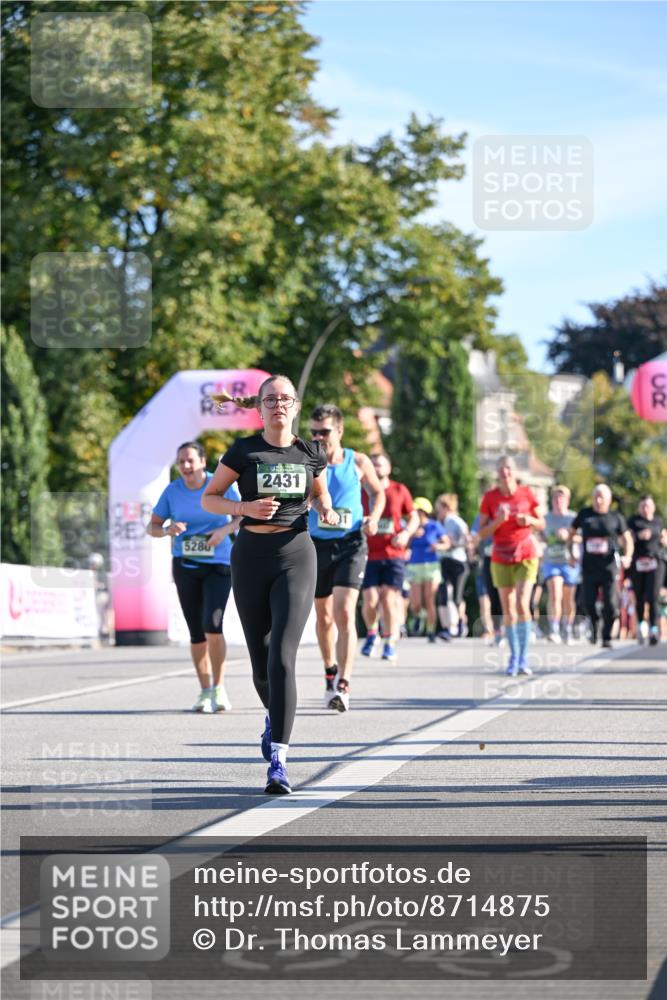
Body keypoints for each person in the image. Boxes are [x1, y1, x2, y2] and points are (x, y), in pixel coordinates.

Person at [201, 375, 337, 794]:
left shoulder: (310, 452)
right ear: (259, 407)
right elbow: (210, 497)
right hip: (250, 558)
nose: (278, 404)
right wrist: (245, 507)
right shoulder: (244, 450)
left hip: (296, 554)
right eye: (270, 399)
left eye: (285, 399)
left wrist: (327, 509)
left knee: (282, 656)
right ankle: (272, 716)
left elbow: (320, 492)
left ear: (295, 406)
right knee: (261, 666)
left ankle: (279, 759)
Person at [148, 441, 241, 713]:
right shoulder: (172, 491)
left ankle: (220, 688)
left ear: (203, 461)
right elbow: (151, 526)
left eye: (190, 460)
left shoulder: (220, 484)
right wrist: (167, 529)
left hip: (219, 563)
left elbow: (243, 515)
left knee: (213, 623)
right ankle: (204, 691)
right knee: (196, 632)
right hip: (186, 565)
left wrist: (224, 532)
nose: (185, 467)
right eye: (181, 462)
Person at [307, 404, 385, 712]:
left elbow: (378, 493)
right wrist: (315, 505)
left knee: (343, 612)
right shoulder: (308, 461)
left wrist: (375, 517)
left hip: (351, 542)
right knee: (323, 616)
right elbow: (305, 496)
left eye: (324, 431)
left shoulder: (358, 460)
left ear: (339, 431)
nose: (318, 437)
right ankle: (329, 669)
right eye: (313, 431)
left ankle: (343, 682)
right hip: (316, 544)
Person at [477, 456, 544, 676]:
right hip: (501, 555)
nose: (504, 473)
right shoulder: (490, 497)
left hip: (526, 554)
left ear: (514, 472)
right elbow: (482, 533)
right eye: (500, 469)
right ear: (497, 473)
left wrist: (530, 521)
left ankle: (524, 658)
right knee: (508, 608)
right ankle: (514, 657)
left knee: (522, 605)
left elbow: (542, 522)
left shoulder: (526, 493)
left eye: (508, 468)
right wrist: (497, 521)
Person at [360, 453, 419, 662]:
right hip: (368, 552)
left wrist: (405, 533)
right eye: (373, 464)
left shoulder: (399, 490)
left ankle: (389, 642)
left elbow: (413, 517)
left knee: (388, 598)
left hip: (393, 553)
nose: (376, 467)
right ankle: (371, 632)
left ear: (389, 468)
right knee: (370, 600)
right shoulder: (362, 490)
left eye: (380, 463)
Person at [570, 484, 634, 649]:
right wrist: (571, 553)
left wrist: (628, 556)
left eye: (602, 497)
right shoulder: (585, 514)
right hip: (589, 567)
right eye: (596, 497)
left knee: (611, 605)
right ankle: (595, 624)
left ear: (609, 500)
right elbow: (571, 533)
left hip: (609, 567)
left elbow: (627, 539)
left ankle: (606, 636)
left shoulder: (615, 517)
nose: (598, 501)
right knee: (587, 603)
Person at [541, 485, 580, 644]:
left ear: (567, 501)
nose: (558, 501)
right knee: (555, 593)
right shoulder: (546, 518)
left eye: (561, 498)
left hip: (569, 562)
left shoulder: (573, 518)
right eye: (555, 498)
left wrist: (568, 536)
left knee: (568, 598)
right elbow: (540, 536)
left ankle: (567, 627)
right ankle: (554, 628)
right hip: (551, 561)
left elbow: (582, 538)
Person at [406, 497, 447, 643]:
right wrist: (411, 535)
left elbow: (447, 543)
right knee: (416, 603)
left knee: (430, 599)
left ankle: (430, 631)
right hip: (414, 566)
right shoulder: (410, 526)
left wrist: (438, 546)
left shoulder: (435, 526)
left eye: (416, 510)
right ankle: (419, 616)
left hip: (431, 566)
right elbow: (403, 545)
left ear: (423, 512)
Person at [628, 495, 664, 646]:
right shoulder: (633, 521)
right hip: (638, 563)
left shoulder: (658, 521)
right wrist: (637, 535)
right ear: (639, 507)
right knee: (639, 595)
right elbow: (626, 538)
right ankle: (642, 625)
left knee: (653, 596)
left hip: (655, 562)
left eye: (648, 505)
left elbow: (663, 537)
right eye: (643, 506)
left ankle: (654, 628)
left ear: (653, 507)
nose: (645, 508)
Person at [435, 493, 470, 640]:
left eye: (439, 508)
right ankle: (448, 627)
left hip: (458, 562)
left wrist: (453, 544)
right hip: (444, 562)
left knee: (456, 597)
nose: (438, 512)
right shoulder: (439, 522)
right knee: (443, 594)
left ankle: (461, 622)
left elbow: (467, 538)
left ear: (446, 507)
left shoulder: (455, 521)